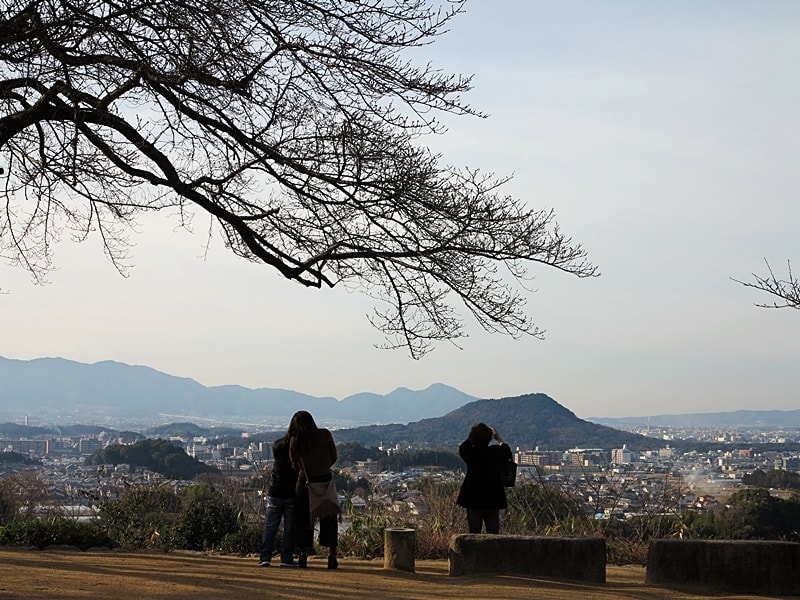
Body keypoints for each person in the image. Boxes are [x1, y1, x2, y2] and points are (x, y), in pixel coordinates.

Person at [288, 410, 340, 569]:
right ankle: (331, 554)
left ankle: (303, 553)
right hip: (326, 482)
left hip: (306, 482)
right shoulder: (325, 434)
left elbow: (294, 463)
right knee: (329, 518)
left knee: (303, 518)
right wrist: (323, 467)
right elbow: (334, 457)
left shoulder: (296, 440)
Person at [456, 422, 512, 534]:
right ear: (489, 438)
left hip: (473, 498)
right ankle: (492, 551)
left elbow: (463, 447)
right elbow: (506, 451)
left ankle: (474, 551)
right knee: (493, 532)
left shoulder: (471, 454)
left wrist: (473, 435)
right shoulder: (495, 452)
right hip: (493, 498)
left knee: (473, 532)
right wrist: (498, 438)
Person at [258, 434, 298, 567]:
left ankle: (265, 557)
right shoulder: (295, 462)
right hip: (291, 494)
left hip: (275, 493)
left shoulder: (277, 450)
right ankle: (286, 558)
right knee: (289, 528)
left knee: (270, 527)